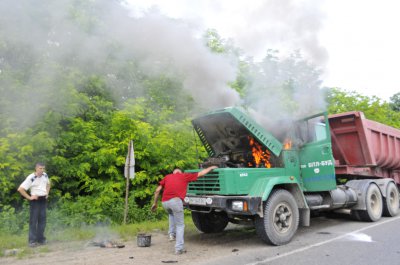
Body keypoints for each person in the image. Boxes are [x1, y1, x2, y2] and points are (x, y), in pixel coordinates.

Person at [151, 165, 218, 255]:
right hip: (175, 201)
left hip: (165, 203)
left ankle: (171, 234)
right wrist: (211, 168)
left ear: (173, 172)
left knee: (171, 214)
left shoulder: (167, 177)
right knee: (180, 225)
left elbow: (157, 190)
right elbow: (201, 173)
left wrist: (155, 203)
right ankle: (179, 248)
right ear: (180, 172)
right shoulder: (184, 175)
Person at [18, 163, 51, 247]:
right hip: (35, 201)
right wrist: (29, 198)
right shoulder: (31, 177)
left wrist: (47, 193)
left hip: (43, 199)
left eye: (43, 168)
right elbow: (20, 189)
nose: (42, 170)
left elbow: (48, 184)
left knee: (42, 221)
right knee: (33, 221)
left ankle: (41, 240)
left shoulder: (45, 175)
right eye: (40, 168)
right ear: (36, 168)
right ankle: (32, 241)